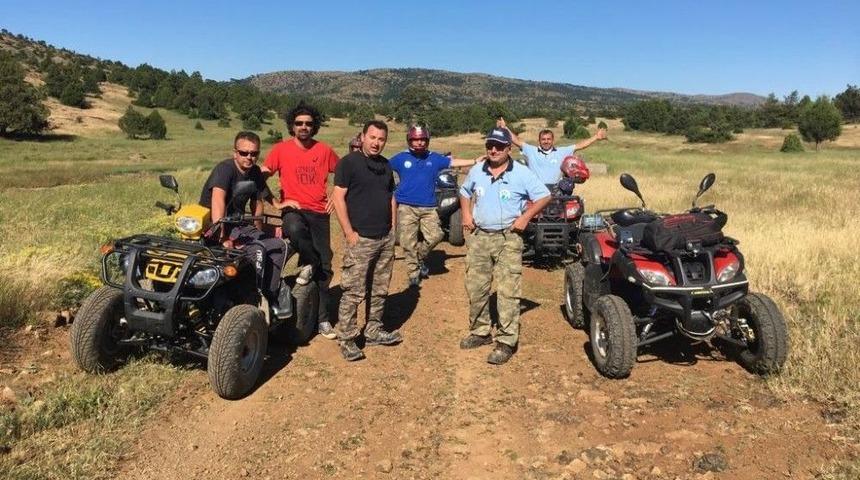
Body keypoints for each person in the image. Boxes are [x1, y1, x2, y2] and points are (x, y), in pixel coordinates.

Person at [458, 127, 551, 365]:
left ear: (509, 148)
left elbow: (544, 196)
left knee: (508, 290)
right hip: (480, 237)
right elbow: (464, 191)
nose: (493, 149)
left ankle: (507, 340)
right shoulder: (478, 170)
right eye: (490, 145)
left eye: (499, 146)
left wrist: (525, 217)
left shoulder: (521, 173)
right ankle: (480, 332)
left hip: (508, 238)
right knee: (477, 287)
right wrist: (466, 215)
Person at [261, 102, 340, 339]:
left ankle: (323, 319)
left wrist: (336, 194)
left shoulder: (324, 150)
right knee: (293, 228)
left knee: (326, 268)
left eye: (308, 123)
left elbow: (344, 172)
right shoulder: (280, 150)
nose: (304, 127)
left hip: (319, 213)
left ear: (314, 126)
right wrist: (275, 203)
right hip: (294, 209)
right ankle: (310, 263)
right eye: (299, 123)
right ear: (292, 126)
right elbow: (259, 175)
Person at [331, 120, 403, 361]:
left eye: (381, 139)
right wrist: (349, 233)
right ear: (362, 137)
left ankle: (373, 330)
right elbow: (338, 198)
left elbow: (391, 197)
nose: (376, 143)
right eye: (372, 137)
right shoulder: (348, 163)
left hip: (384, 237)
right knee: (353, 291)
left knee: (380, 289)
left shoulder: (385, 166)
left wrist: (393, 228)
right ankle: (348, 338)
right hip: (360, 238)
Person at [200, 131, 289, 314]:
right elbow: (218, 201)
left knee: (278, 246)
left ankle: (268, 294)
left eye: (254, 153)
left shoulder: (255, 172)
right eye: (244, 153)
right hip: (214, 225)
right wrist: (221, 236)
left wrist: (260, 230)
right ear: (235, 152)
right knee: (259, 251)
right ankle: (251, 298)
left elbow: (258, 203)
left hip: (238, 224)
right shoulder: (225, 169)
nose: (249, 157)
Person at [389, 124, 480, 288]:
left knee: (436, 235)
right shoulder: (400, 158)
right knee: (407, 242)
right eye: (415, 140)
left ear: (427, 140)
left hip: (429, 207)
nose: (419, 143)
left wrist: (474, 161)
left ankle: (419, 258)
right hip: (406, 207)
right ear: (409, 140)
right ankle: (413, 274)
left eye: (422, 139)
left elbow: (452, 162)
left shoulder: (434, 158)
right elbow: (383, 166)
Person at [497, 117, 607, 185]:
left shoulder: (561, 151)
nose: (546, 141)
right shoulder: (531, 151)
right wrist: (505, 128)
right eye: (543, 139)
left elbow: (579, 146)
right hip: (536, 192)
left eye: (548, 139)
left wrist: (595, 137)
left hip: (556, 192)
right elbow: (517, 141)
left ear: (553, 140)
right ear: (539, 140)